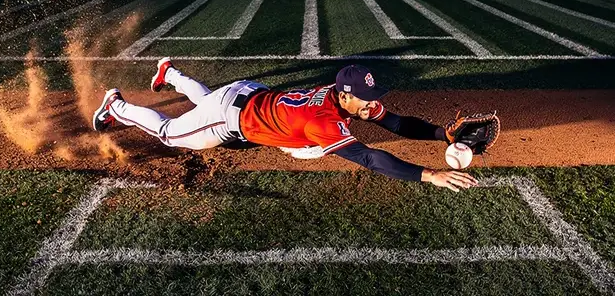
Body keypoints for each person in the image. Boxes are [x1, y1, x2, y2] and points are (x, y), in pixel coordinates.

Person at [92, 59, 499, 192]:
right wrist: (429, 175)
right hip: (231, 116)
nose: (373, 105)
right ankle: (116, 106)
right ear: (344, 95)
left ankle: (170, 73)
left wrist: (439, 134)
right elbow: (371, 158)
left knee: (207, 100)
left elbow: (394, 123)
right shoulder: (324, 119)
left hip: (245, 96)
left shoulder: (347, 100)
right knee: (170, 133)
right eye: (366, 98)